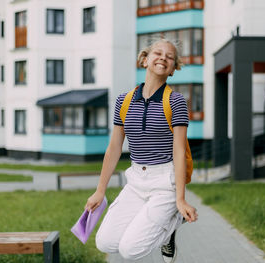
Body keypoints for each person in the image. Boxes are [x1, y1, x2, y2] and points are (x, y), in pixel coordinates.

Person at [85, 38, 198, 262]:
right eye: (158, 53)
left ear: (174, 69)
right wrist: (100, 190)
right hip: (136, 180)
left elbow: (178, 152)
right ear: (144, 59)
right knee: (104, 242)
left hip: (165, 182)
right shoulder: (124, 101)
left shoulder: (176, 102)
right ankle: (162, 223)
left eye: (170, 57)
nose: (163, 58)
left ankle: (172, 225)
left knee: (131, 250)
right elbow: (114, 148)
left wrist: (180, 199)